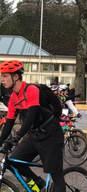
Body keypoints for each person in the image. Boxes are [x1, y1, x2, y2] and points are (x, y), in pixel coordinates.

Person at [0, 60, 65, 191]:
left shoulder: (31, 90)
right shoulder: (13, 97)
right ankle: (38, 184)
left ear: (16, 76)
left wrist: (17, 137)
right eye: (1, 76)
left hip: (51, 134)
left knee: (56, 174)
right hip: (34, 134)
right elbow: (9, 123)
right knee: (15, 161)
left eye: (5, 76)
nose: (2, 79)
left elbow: (31, 116)